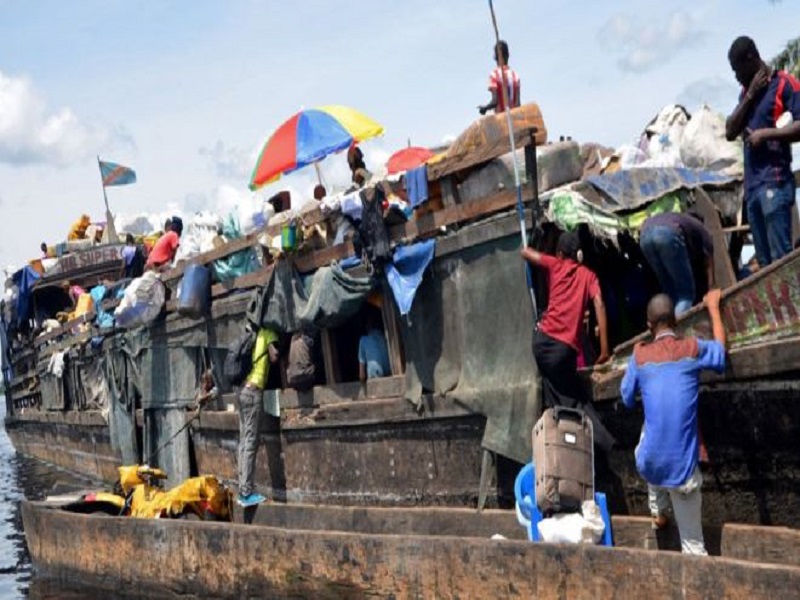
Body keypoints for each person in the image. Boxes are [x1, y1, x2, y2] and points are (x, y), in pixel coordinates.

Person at [620, 291, 726, 555]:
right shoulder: (691, 348)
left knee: (647, 436)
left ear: (648, 326)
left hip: (651, 464)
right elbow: (721, 354)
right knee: (693, 545)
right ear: (676, 321)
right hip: (682, 471)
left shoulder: (639, 356)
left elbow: (626, 398)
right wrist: (713, 307)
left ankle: (658, 511)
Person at [522, 231, 616, 452]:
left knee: (559, 392)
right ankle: (602, 442)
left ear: (560, 253)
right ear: (580, 255)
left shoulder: (556, 264)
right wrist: (604, 350)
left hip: (541, 342)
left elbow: (526, 253)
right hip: (562, 349)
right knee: (574, 400)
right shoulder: (588, 276)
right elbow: (600, 305)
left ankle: (566, 441)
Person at [725, 36, 800, 267]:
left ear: (751, 59)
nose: (736, 75)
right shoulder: (745, 94)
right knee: (765, 265)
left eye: (737, 69)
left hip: (775, 183)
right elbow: (730, 131)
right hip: (753, 189)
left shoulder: (784, 84)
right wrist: (750, 96)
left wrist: (765, 135)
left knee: (781, 261)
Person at [639, 212, 715, 316]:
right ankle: (678, 329)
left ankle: (666, 325)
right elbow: (709, 260)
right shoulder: (700, 228)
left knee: (670, 293)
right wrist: (711, 289)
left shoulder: (678, 219)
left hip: (644, 236)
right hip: (667, 233)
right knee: (686, 294)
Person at [237, 327, 280, 507]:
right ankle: (246, 493)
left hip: (242, 391)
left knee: (243, 441)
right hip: (254, 392)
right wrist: (276, 345)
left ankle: (242, 490)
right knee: (250, 442)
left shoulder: (250, 334)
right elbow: (274, 357)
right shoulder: (268, 333)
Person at [478, 40, 521, 115]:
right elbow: (518, 104)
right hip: (515, 119)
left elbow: (495, 101)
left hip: (502, 119)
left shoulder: (494, 74)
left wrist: (484, 108)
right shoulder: (515, 75)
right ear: (508, 55)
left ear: (495, 57)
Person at [358, 313, 390, 384]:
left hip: (375, 376)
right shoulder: (386, 338)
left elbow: (361, 374)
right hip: (389, 373)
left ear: (367, 326)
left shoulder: (364, 340)